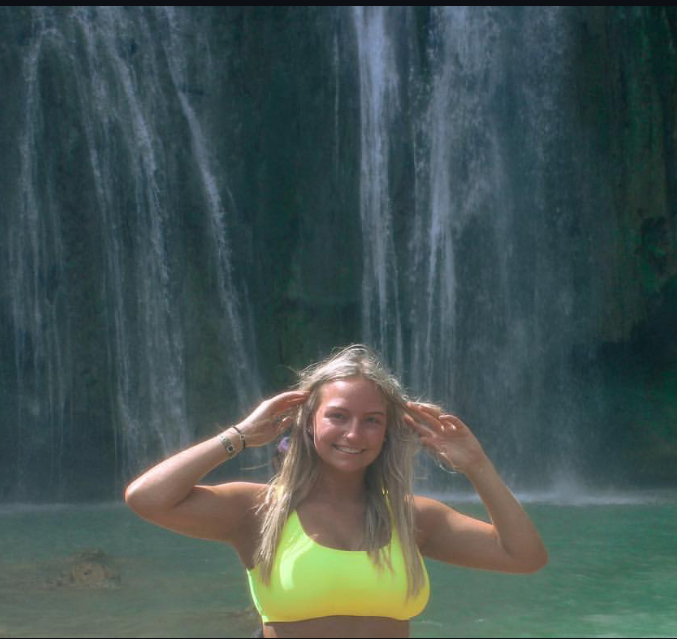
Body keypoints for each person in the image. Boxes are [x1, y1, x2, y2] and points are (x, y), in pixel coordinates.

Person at [125, 344, 548, 638]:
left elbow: (525, 556)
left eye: (371, 420)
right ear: (308, 422)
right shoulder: (259, 510)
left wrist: (476, 465)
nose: (353, 434)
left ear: (387, 431)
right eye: (338, 416)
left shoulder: (413, 518)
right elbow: (146, 498)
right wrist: (240, 435)